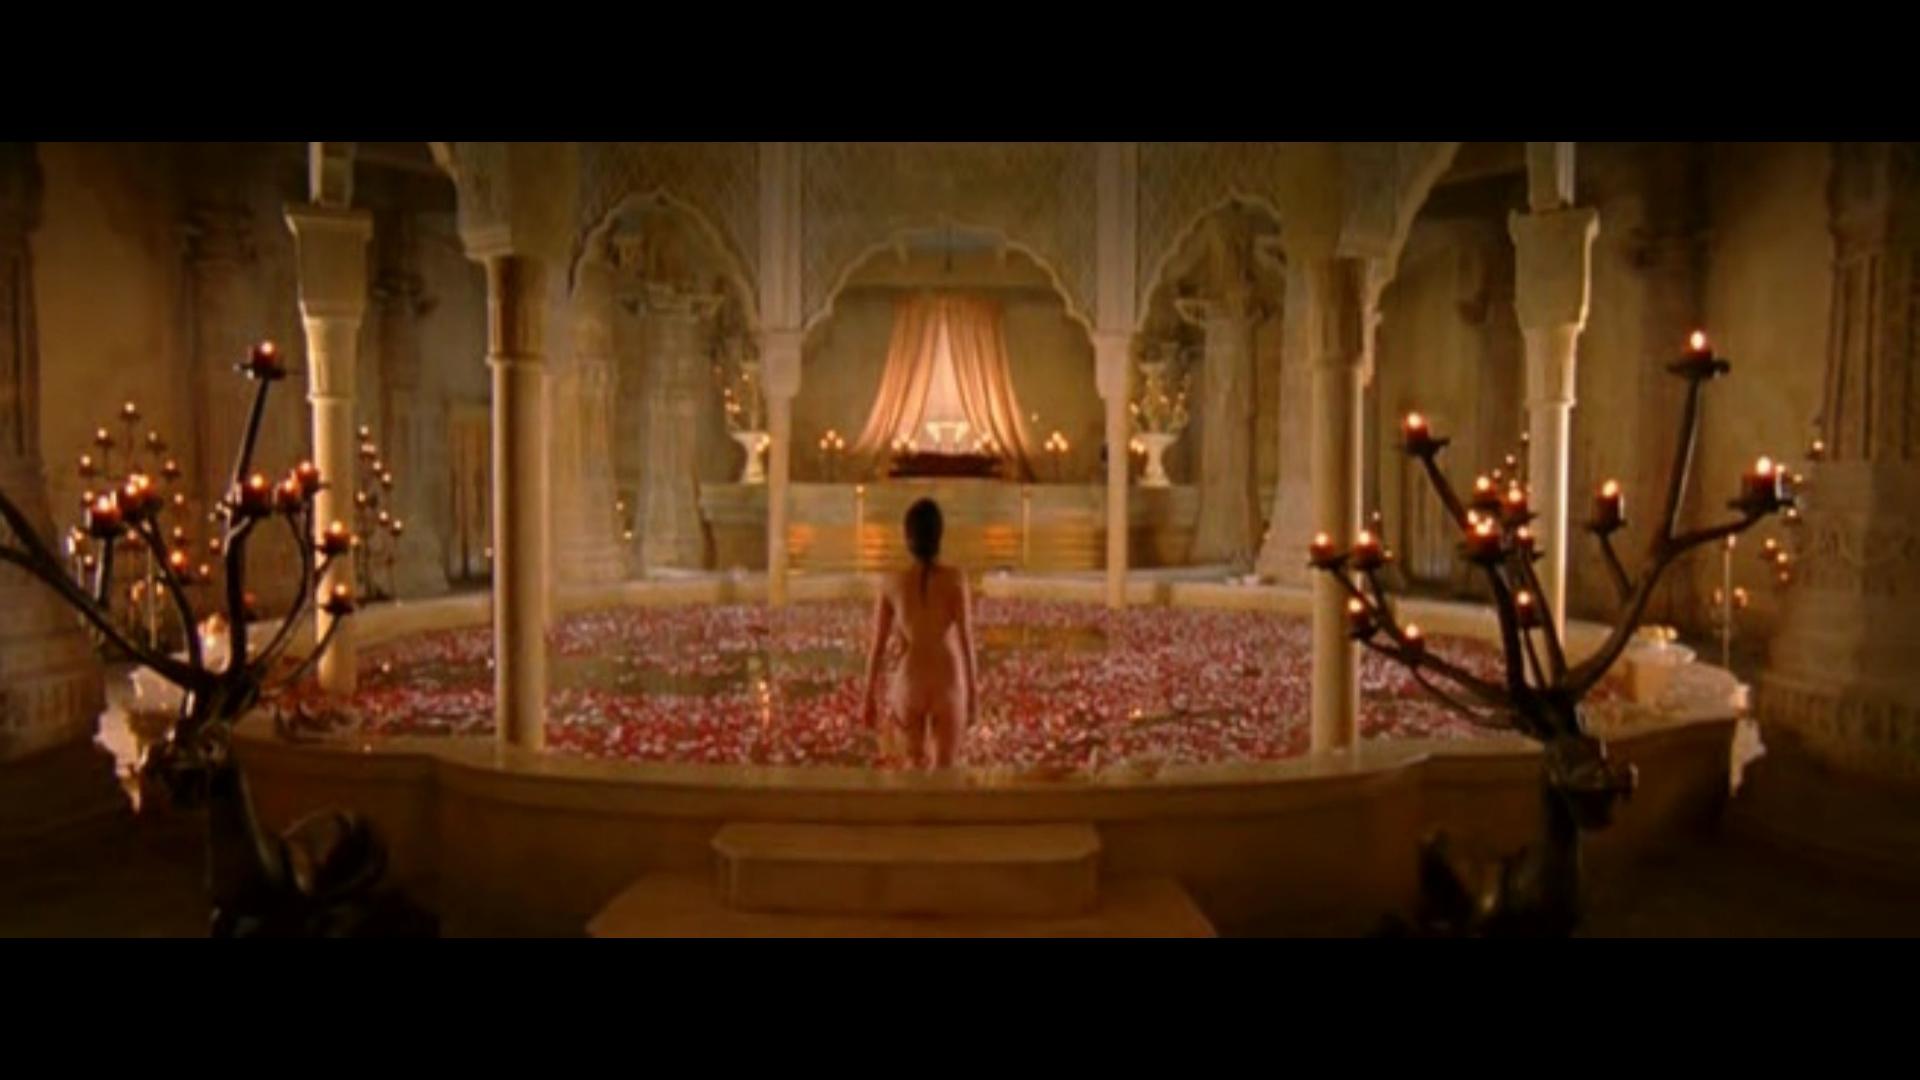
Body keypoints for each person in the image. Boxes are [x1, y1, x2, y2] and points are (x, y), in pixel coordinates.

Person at [858, 498, 978, 768]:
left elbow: (877, 646)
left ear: (907, 537)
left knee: (912, 768)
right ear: (939, 536)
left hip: (910, 680)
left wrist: (868, 698)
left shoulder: (892, 582)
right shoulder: (955, 580)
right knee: (944, 770)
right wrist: (973, 696)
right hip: (947, 680)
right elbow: (966, 642)